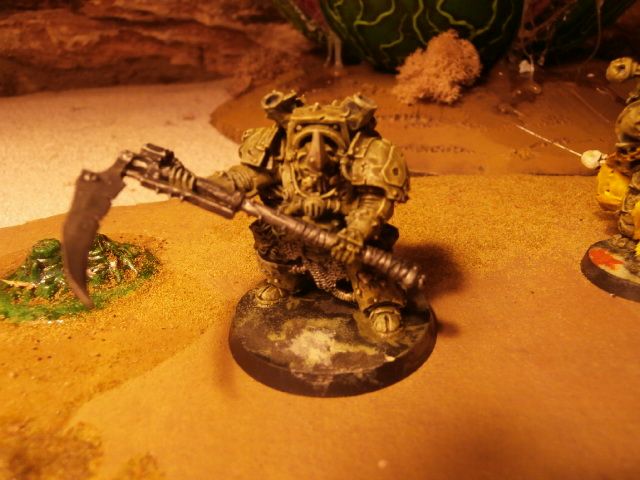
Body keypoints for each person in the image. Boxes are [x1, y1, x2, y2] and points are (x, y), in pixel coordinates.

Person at [213, 91, 410, 333]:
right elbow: (249, 175)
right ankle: (285, 282)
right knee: (270, 237)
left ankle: (379, 302)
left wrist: (358, 231)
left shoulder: (366, 152)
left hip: (345, 234)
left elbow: (375, 202)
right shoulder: (278, 148)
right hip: (290, 231)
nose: (316, 155)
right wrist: (222, 183)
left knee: (366, 258)